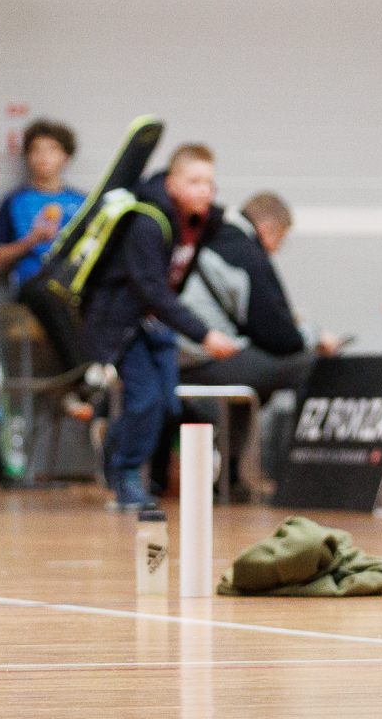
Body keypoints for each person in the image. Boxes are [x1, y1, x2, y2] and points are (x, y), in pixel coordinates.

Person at [83, 143, 240, 513]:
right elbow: (151, 289)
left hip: (157, 322)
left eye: (209, 183)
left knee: (168, 405)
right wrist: (203, 333)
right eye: (194, 181)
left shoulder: (202, 222)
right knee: (145, 399)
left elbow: (175, 279)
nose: (204, 190)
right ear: (172, 183)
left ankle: (114, 447)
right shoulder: (147, 221)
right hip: (123, 323)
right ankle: (126, 476)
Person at [176, 191, 338, 495]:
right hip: (203, 358)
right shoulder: (244, 252)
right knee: (313, 365)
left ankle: (231, 474)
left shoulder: (218, 237)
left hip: (178, 355)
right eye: (281, 240)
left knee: (257, 379)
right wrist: (316, 337)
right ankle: (306, 476)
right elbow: (280, 337)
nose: (277, 249)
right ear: (267, 229)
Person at [0, 119, 90, 375]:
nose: (43, 157)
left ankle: (105, 372)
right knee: (48, 293)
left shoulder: (82, 203)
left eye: (51, 149)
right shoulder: (14, 202)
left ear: (65, 156)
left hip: (75, 281)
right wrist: (32, 240)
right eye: (36, 150)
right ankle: (82, 374)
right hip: (34, 283)